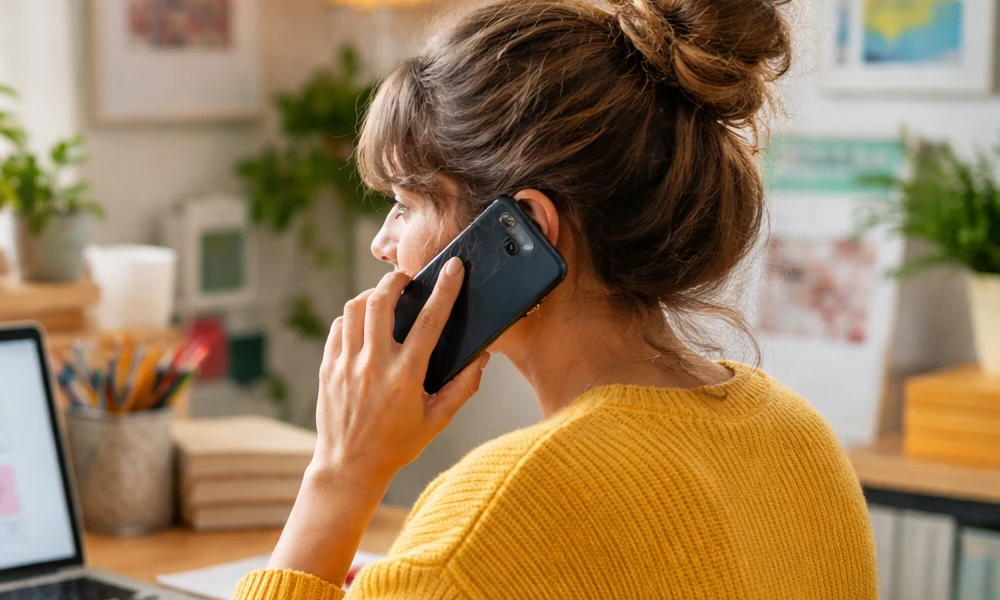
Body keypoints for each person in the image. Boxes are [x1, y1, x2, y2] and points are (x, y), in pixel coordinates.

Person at [235, 0, 878, 597]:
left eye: (405, 205)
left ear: (527, 230)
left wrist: (341, 473)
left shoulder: (500, 513)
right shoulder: (801, 439)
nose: (383, 243)